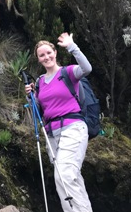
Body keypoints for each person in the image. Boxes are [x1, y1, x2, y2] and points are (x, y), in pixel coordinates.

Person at [24, 33, 93, 212]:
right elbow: (40, 111)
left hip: (73, 128)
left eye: (49, 53)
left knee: (65, 174)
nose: (46, 57)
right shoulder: (39, 82)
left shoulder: (68, 72)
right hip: (52, 134)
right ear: (38, 59)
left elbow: (87, 68)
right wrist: (31, 96)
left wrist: (72, 46)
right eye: (42, 55)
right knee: (70, 177)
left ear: (55, 52)